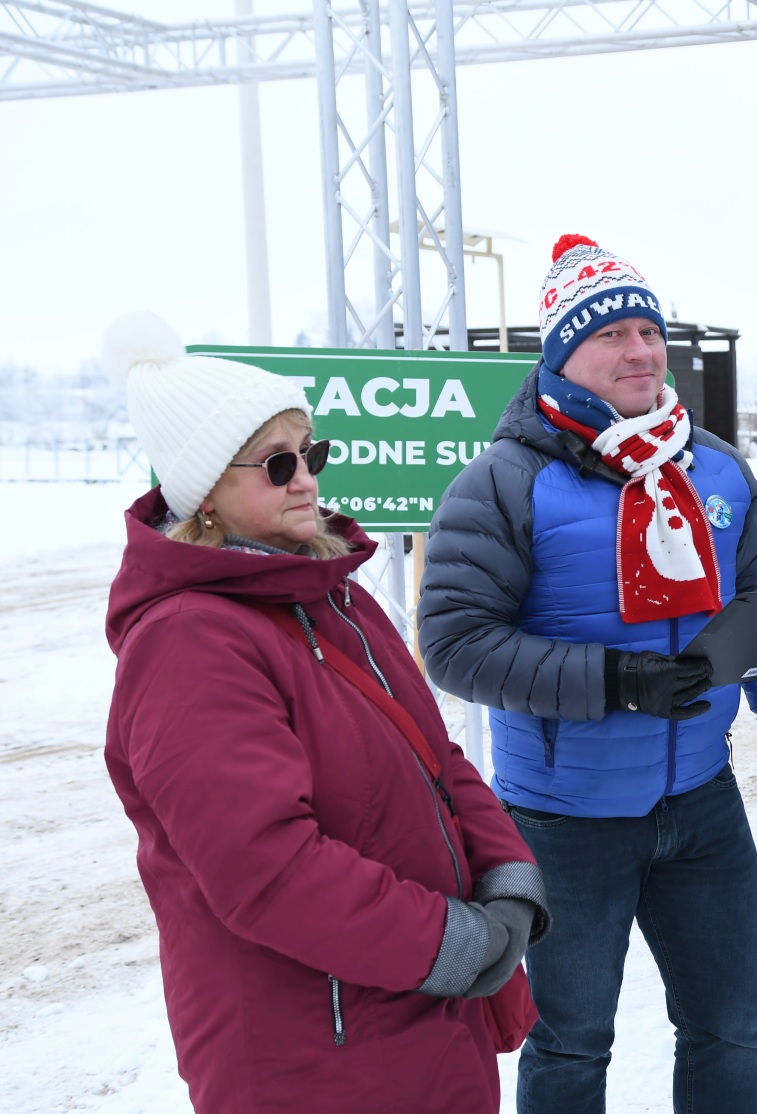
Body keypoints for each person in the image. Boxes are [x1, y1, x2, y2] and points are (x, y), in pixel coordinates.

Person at [417, 234, 757, 1114]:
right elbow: (454, 643)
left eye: (649, 331)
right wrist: (614, 680)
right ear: (563, 356)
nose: (640, 350)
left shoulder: (717, 468)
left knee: (730, 1026)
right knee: (570, 1044)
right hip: (564, 820)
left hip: (702, 804)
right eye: (611, 335)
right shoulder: (504, 481)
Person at [101, 312, 549, 1114]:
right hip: (313, 1051)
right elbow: (267, 867)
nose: (306, 478)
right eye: (278, 464)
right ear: (206, 493)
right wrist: (446, 940)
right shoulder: (187, 642)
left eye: (312, 453)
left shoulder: (333, 596)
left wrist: (506, 877)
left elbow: (435, 758)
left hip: (421, 1015)